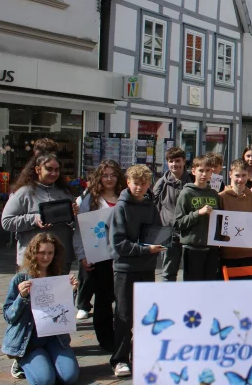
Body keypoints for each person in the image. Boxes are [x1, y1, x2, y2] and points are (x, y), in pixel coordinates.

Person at [110, 165, 166, 377]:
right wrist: (145, 249)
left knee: (144, 315)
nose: (139, 187)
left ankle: (141, 355)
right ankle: (119, 359)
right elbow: (118, 244)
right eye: (136, 183)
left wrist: (161, 242)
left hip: (147, 267)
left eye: (144, 184)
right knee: (124, 315)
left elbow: (158, 232)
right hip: (125, 269)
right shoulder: (120, 208)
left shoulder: (151, 206)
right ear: (128, 183)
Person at [2, 232, 80, 385]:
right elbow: (8, 315)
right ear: (33, 253)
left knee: (69, 377)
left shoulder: (59, 275)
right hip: (29, 339)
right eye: (42, 253)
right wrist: (22, 297)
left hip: (54, 337)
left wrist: (72, 291)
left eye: (50, 253)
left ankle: (48, 359)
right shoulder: (20, 278)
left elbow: (65, 310)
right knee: (44, 381)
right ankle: (21, 362)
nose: (46, 257)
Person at [74, 160, 124, 353]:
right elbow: (80, 229)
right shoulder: (91, 199)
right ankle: (105, 339)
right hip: (99, 256)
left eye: (113, 175)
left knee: (121, 298)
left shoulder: (124, 196)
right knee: (103, 299)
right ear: (99, 177)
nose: (109, 179)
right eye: (105, 175)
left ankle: (122, 335)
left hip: (121, 255)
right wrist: (82, 255)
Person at [2, 153, 79, 273]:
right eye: (49, 169)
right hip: (32, 258)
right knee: (30, 291)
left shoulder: (65, 193)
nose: (53, 173)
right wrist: (34, 219)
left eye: (57, 170)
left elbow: (76, 225)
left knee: (59, 291)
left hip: (61, 258)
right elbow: (6, 221)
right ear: (38, 169)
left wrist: (73, 217)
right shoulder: (24, 192)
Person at [174, 154, 221, 281]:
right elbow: (178, 223)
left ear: (212, 173)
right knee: (193, 289)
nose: (204, 174)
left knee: (209, 287)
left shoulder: (214, 194)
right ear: (193, 171)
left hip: (212, 248)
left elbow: (221, 220)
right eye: (201, 170)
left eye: (207, 171)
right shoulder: (186, 193)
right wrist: (197, 213)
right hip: (193, 248)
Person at [154, 147, 193, 282]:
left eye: (177, 161)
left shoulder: (192, 181)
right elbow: (153, 206)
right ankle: (167, 301)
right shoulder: (161, 183)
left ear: (184, 162)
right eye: (171, 161)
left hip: (189, 231)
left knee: (191, 271)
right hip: (167, 231)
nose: (174, 164)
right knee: (168, 272)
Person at [218, 159, 252, 272]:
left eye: (244, 175)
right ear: (230, 174)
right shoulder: (221, 197)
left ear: (248, 175)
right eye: (237, 175)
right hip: (226, 252)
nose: (240, 179)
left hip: (248, 251)